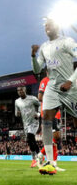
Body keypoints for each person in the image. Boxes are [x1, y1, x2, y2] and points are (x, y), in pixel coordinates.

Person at [31, 18, 77, 175]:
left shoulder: (67, 41)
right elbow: (37, 69)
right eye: (45, 26)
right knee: (46, 121)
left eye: (49, 25)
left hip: (70, 85)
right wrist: (33, 55)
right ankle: (50, 163)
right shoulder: (44, 47)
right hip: (52, 86)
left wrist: (71, 81)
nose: (47, 28)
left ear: (58, 26)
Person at [36, 74, 65, 171]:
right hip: (49, 112)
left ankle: (44, 157)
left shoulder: (59, 81)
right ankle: (50, 162)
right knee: (54, 139)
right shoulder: (45, 80)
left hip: (57, 113)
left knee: (56, 140)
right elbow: (40, 97)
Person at [15, 86, 40, 168]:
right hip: (25, 124)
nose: (20, 91)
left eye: (21, 90)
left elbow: (40, 105)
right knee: (30, 141)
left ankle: (35, 159)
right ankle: (39, 156)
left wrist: (38, 114)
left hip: (34, 122)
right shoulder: (17, 101)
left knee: (30, 137)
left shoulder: (32, 98)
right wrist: (17, 113)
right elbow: (16, 112)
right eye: (18, 90)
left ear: (25, 90)